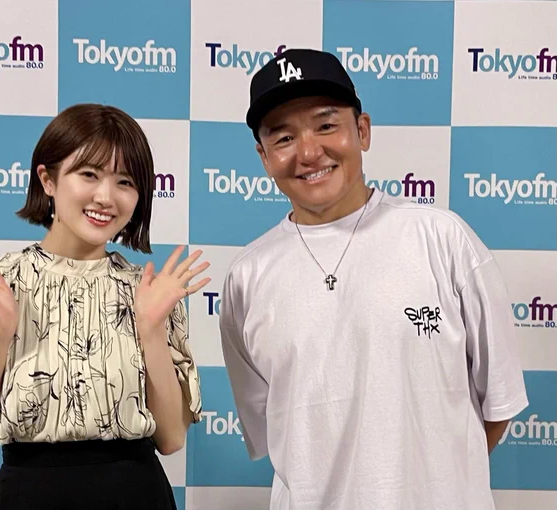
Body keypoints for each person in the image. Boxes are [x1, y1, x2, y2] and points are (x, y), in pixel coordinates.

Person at [218, 48, 529, 510]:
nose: (309, 152)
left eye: (326, 125)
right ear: (264, 157)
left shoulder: (443, 239)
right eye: (283, 137)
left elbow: (498, 405)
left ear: (362, 130)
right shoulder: (247, 277)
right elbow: (275, 430)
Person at [0, 103, 209, 510]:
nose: (105, 197)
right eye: (89, 174)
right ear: (48, 179)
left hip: (137, 494)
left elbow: (170, 438)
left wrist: (150, 328)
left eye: (125, 181)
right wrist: (0, 332)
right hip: (29, 496)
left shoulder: (150, 289)